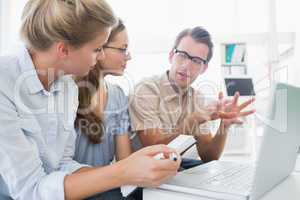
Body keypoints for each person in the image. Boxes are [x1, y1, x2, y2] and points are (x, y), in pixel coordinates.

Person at [0, 1, 181, 200]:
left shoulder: (66, 86)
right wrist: (122, 172)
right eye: (97, 49)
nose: (101, 55)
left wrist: (130, 168)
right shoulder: (5, 85)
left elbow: (63, 165)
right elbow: (30, 191)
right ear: (63, 50)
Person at [129, 26, 255, 169]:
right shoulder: (146, 90)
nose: (186, 65)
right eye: (182, 55)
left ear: (204, 68)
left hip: (175, 168)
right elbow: (154, 151)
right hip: (144, 174)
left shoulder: (197, 98)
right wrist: (191, 121)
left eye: (196, 61)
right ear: (171, 56)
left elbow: (209, 156)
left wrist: (224, 126)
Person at [74, 19, 133, 200]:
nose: (128, 56)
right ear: (99, 47)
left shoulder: (118, 95)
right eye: (122, 49)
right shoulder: (70, 91)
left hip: (105, 188)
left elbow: (124, 160)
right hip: (72, 188)